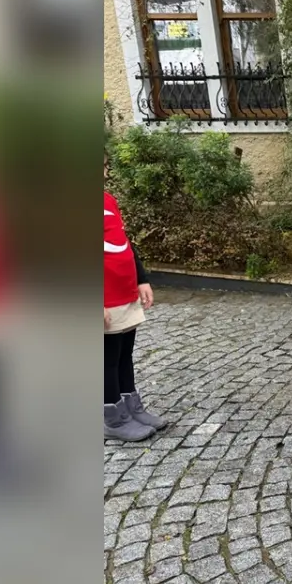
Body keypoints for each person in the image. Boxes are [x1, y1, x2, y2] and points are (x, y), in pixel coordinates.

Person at [104, 172, 166, 442]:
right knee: (106, 359)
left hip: (124, 290)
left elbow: (124, 243)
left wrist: (141, 279)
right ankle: (112, 418)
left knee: (124, 353)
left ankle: (131, 408)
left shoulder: (107, 200)